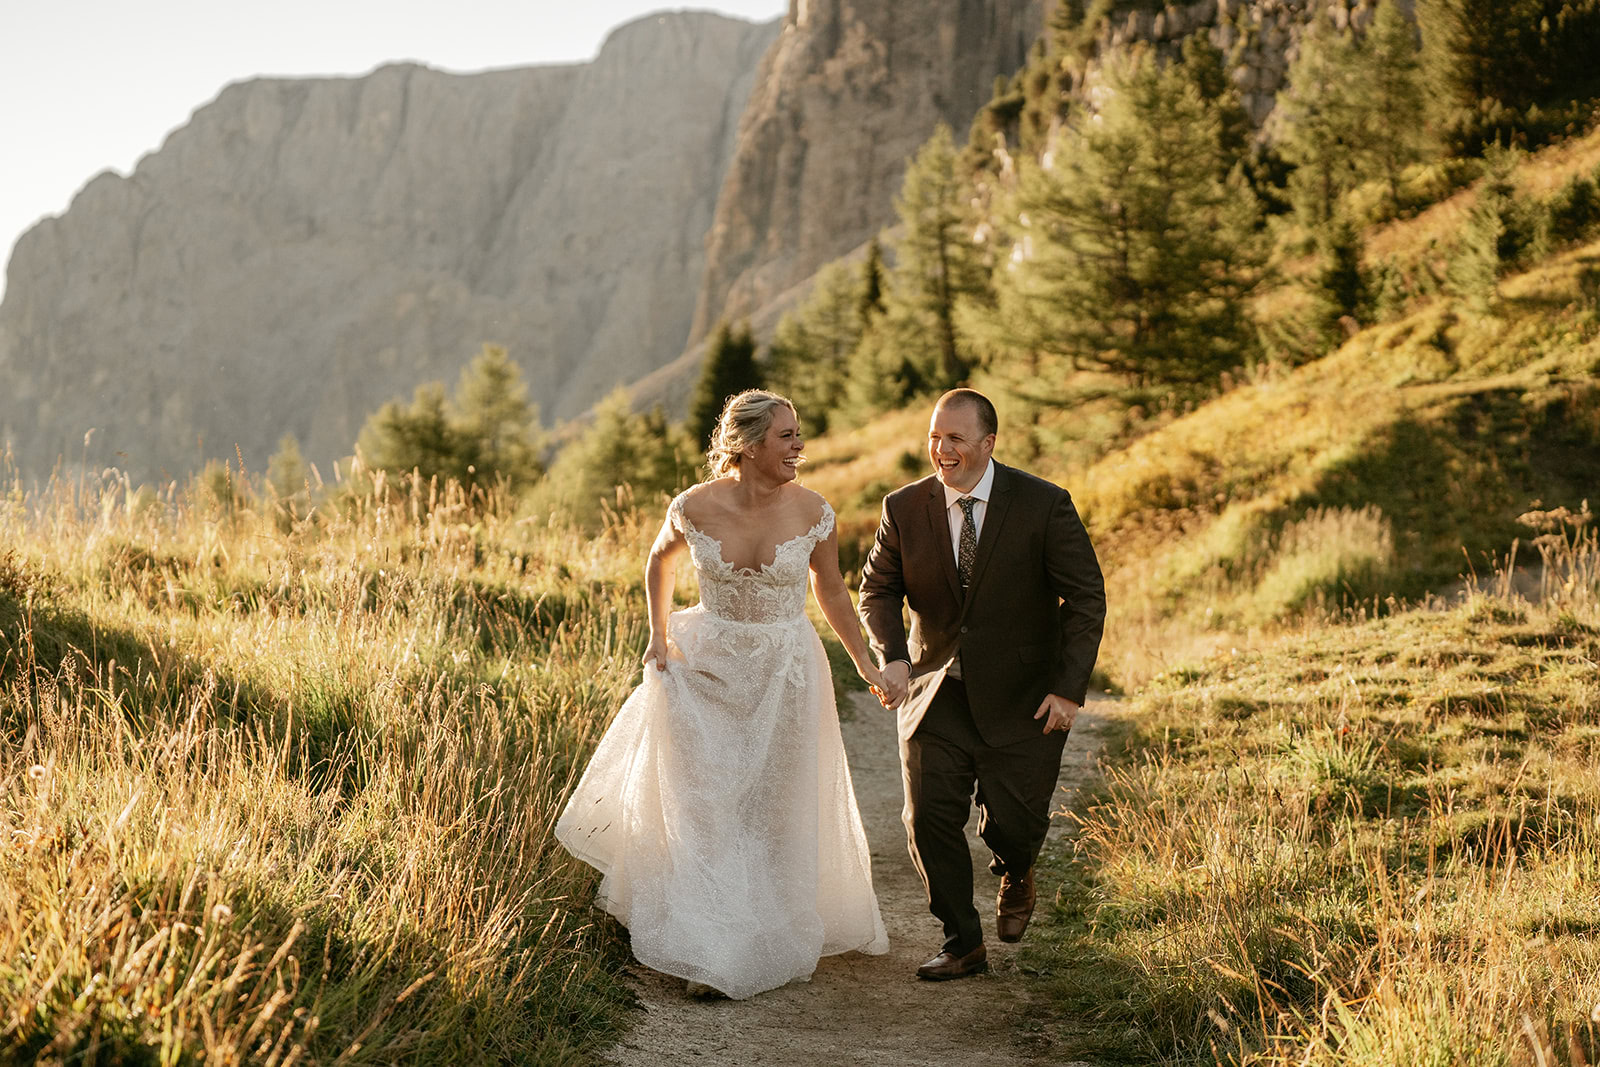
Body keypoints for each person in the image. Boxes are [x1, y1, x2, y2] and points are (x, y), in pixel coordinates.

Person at [555, 389, 889, 1000]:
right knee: (705, 804)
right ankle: (707, 945)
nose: (799, 446)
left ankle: (769, 930)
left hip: (786, 673)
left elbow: (834, 593)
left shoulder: (815, 511)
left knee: (775, 806)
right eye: (787, 436)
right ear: (750, 445)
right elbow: (658, 561)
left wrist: (866, 663)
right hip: (707, 667)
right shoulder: (692, 506)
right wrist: (658, 636)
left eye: (798, 434)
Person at [859, 388, 1105, 981]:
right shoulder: (903, 507)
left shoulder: (1044, 504)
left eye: (956, 440)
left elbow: (1086, 597)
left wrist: (1069, 689)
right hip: (934, 692)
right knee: (927, 819)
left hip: (1025, 696)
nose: (942, 451)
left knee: (1016, 823)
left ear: (988, 444)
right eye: (935, 438)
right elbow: (878, 590)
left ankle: (1017, 870)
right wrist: (893, 656)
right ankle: (962, 941)